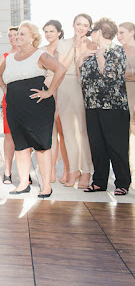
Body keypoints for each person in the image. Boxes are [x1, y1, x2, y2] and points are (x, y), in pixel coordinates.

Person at [0, 22, 66, 198]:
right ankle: (22, 184)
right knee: (21, 146)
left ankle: (46, 186)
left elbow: (60, 69)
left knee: (42, 147)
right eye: (17, 34)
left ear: (33, 38)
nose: (17, 37)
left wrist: (49, 92)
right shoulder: (10, 58)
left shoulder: (40, 54)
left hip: (38, 107)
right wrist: (5, 89)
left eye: (22, 34)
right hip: (14, 107)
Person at [79, 18, 131, 196]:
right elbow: (83, 81)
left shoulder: (116, 51)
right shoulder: (91, 53)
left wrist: (100, 55)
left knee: (117, 146)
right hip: (92, 106)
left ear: (99, 32)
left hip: (113, 107)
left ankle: (123, 182)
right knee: (97, 145)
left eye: (92, 31)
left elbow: (109, 76)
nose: (90, 34)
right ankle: (99, 181)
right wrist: (81, 59)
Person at [57, 13, 94, 188]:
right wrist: (73, 46)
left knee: (84, 131)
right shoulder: (63, 43)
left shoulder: (92, 44)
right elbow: (62, 67)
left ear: (89, 28)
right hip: (65, 85)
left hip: (84, 87)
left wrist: (82, 47)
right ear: (73, 25)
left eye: (85, 25)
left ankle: (86, 171)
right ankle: (73, 171)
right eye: (78, 24)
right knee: (68, 132)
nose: (81, 28)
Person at [42, 20, 70, 184]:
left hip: (64, 89)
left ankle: (68, 170)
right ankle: (51, 171)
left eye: (51, 31)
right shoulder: (41, 51)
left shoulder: (65, 47)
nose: (48, 34)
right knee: (50, 134)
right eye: (46, 31)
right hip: (46, 92)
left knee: (63, 133)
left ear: (59, 32)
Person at [0, 26, 19, 184]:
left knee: (24, 135)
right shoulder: (4, 56)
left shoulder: (29, 54)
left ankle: (25, 172)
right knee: (9, 135)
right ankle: (7, 171)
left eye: (16, 34)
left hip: (27, 99)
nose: (13, 37)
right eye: (10, 35)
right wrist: (6, 90)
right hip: (9, 99)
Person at [116, 21, 135, 175]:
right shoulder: (117, 51)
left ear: (132, 32)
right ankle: (125, 173)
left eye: (122, 32)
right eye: (117, 33)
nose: (119, 36)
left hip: (133, 94)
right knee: (122, 137)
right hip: (120, 97)